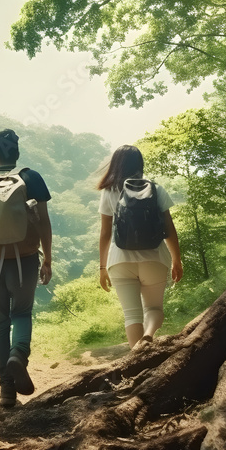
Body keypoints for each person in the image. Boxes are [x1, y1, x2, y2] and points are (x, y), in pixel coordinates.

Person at [0, 128, 53, 407]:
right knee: (22, 313)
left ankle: (6, 390)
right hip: (26, 259)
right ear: (16, 151)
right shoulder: (31, 177)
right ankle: (19, 355)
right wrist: (48, 258)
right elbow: (43, 222)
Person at [97, 145, 183, 348]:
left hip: (119, 261)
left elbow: (105, 233)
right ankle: (149, 334)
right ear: (140, 164)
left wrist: (102, 267)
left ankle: (136, 362)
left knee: (131, 315)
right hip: (154, 259)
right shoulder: (155, 189)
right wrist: (177, 260)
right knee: (154, 309)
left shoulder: (109, 191)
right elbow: (169, 230)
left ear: (116, 165)